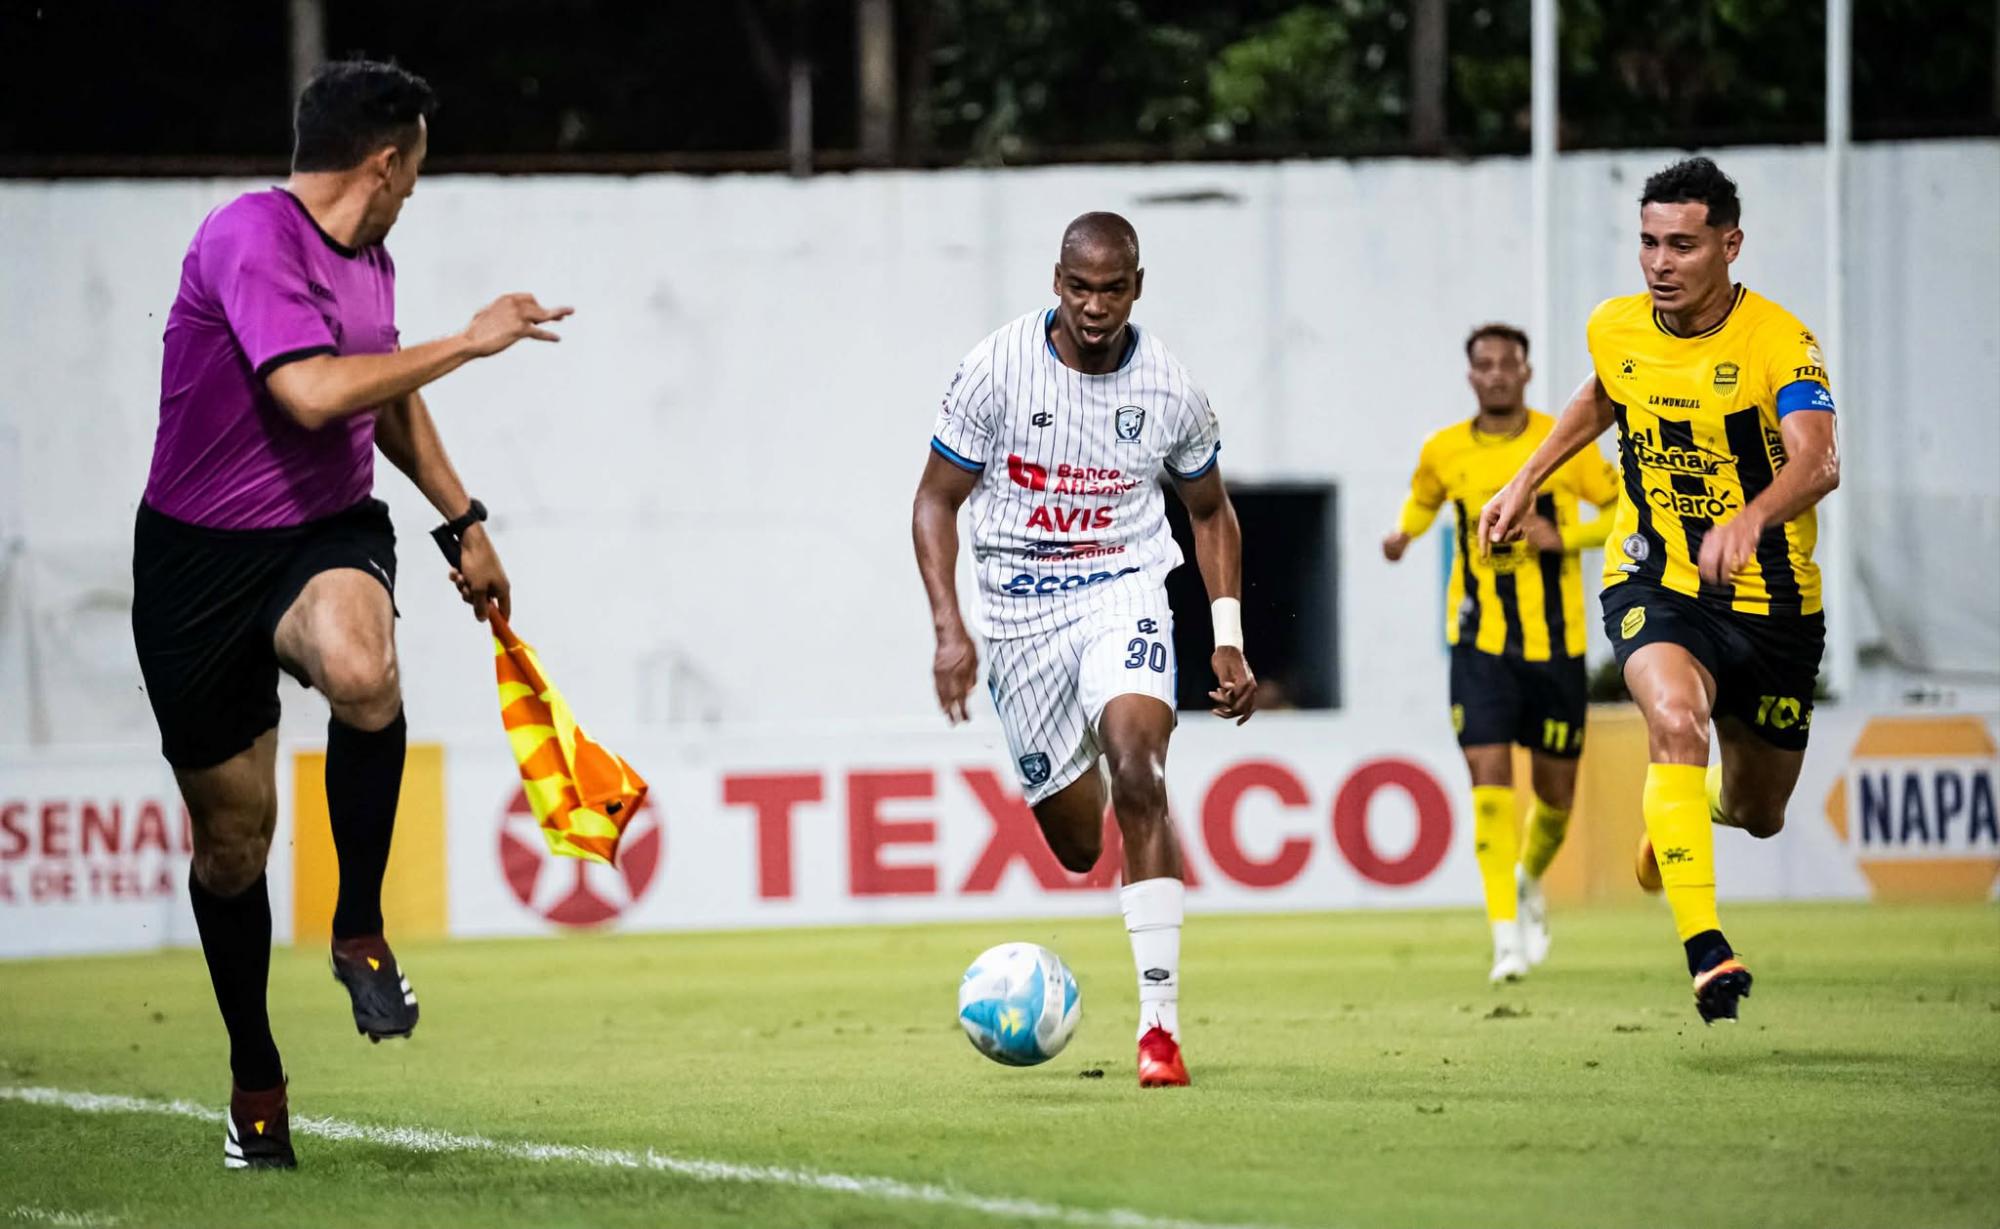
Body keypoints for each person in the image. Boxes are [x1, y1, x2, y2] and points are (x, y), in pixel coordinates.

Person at [131, 59, 573, 1168]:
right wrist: (472, 339)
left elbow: (382, 392)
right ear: (382, 162)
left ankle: (358, 925)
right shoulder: (246, 237)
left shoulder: (371, 257)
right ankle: (254, 1076)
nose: (415, 190)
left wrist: (463, 516)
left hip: (324, 532)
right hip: (196, 564)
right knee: (234, 849)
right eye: (414, 171)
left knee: (360, 666)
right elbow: (315, 389)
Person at [1480, 157, 1839, 1023]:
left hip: (1774, 600)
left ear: (1729, 244)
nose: (1659, 262)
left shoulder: (1777, 341)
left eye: (1682, 244)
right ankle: (1706, 950)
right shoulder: (1619, 326)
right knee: (1675, 720)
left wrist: (1754, 518)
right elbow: (1605, 395)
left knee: (1760, 813)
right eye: (1647, 242)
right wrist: (1527, 476)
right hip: (1656, 576)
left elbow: (1818, 458)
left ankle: (1680, 823)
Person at [912, 212, 1256, 1088]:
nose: (1095, 306)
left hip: (1124, 592)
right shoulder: (996, 370)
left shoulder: (1170, 389)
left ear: (1137, 287)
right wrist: (950, 627)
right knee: (1075, 844)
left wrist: (1225, 636)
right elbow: (934, 501)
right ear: (1055, 283)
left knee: (1141, 772)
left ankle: (1160, 1031)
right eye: (1079, 287)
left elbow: (1210, 511)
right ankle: (1090, 757)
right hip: (1020, 617)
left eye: (1112, 288)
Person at [1384, 324, 1616, 983]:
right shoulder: (1444, 450)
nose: (1494, 375)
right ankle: (1505, 937)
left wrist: (1562, 534)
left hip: (1556, 648)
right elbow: (1424, 498)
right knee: (1490, 789)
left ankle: (1528, 878)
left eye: (1505, 364)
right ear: (1471, 376)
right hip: (1480, 645)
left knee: (1555, 801)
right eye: (1482, 365)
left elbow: (1625, 509)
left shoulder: (1563, 442)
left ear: (1525, 371)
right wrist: (1404, 533)